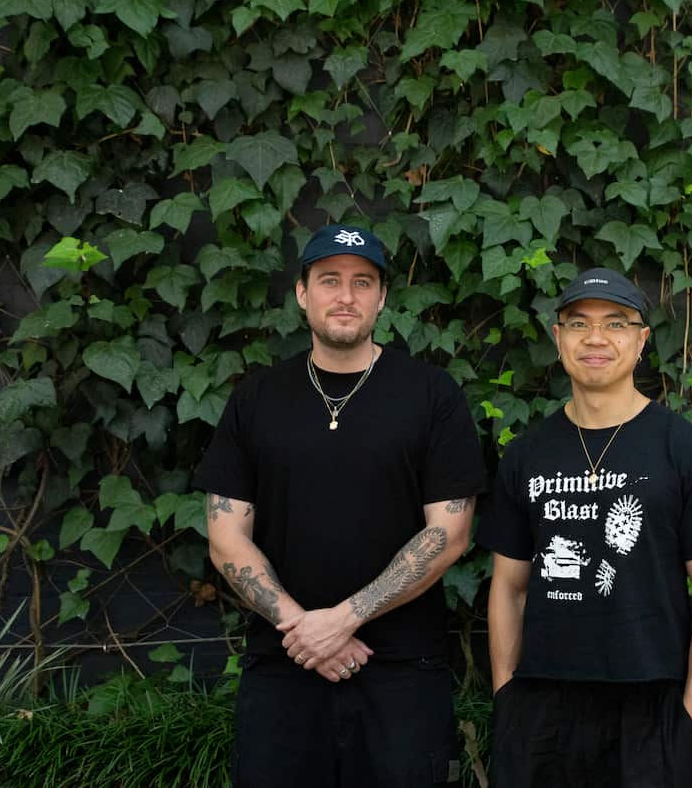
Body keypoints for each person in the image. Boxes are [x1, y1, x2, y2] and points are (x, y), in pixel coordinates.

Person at [196, 223, 485, 787]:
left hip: (402, 671)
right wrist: (304, 629)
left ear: (382, 298)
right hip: (283, 667)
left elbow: (448, 535)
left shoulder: (432, 394)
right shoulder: (256, 398)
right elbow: (225, 536)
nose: (346, 296)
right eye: (329, 280)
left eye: (363, 282)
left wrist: (344, 620)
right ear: (302, 293)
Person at [477, 267, 692, 788]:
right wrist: (507, 698)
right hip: (542, 708)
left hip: (650, 706)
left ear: (641, 340)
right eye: (578, 323)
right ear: (558, 336)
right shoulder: (526, 455)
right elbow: (509, 588)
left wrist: (688, 725)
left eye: (616, 323)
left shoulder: (687, 452)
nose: (596, 339)